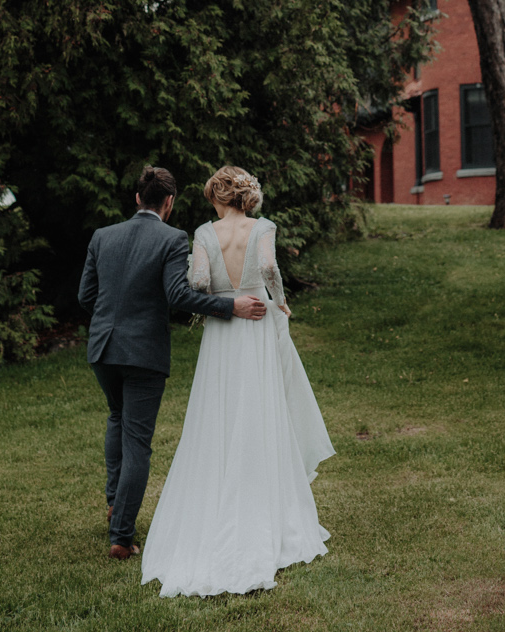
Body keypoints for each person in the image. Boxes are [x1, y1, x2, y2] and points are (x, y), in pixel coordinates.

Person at [140, 165, 335, 598]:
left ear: (216, 196)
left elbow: (197, 282)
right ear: (244, 195)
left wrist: (220, 299)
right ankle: (263, 502)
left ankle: (217, 501)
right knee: (261, 407)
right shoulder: (263, 227)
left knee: (218, 412)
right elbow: (267, 266)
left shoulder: (204, 233)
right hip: (258, 321)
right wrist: (280, 302)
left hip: (223, 328)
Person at [78, 165, 267, 560]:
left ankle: (115, 502)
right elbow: (179, 295)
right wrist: (229, 306)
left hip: (102, 350)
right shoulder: (171, 238)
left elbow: (85, 296)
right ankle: (122, 535)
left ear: (136, 199)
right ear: (169, 202)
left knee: (117, 418)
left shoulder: (102, 236)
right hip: (143, 353)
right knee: (137, 441)